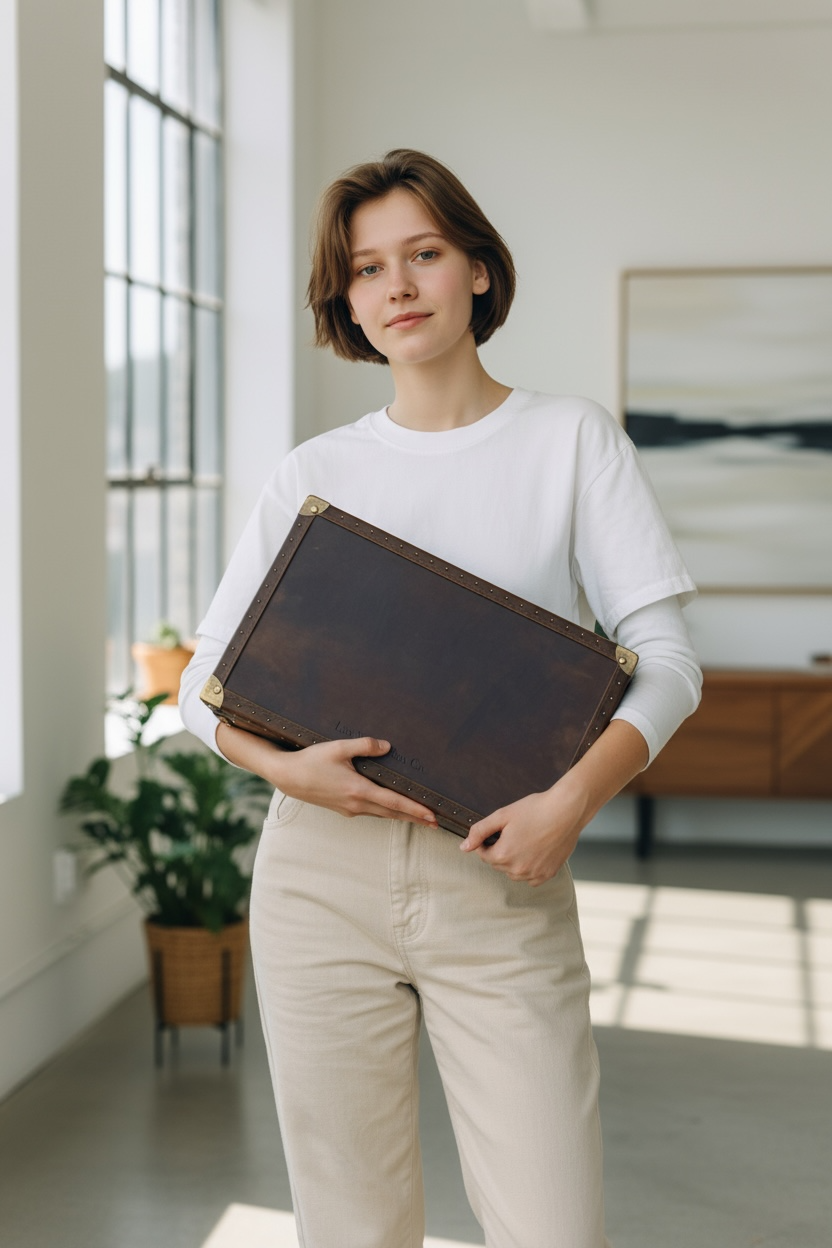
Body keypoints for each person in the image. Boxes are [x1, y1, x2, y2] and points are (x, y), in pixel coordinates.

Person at [180, 149, 702, 1248]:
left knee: (550, 1225)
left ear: (475, 269)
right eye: (367, 269)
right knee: (351, 1226)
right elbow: (202, 686)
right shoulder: (315, 473)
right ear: (347, 301)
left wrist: (571, 802)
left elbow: (665, 658)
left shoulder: (569, 440)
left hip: (501, 878)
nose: (398, 287)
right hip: (317, 882)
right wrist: (283, 769)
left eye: (422, 254)